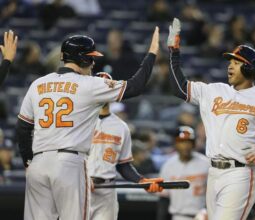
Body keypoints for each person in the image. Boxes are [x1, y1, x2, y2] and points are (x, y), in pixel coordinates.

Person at [16, 27, 161, 220]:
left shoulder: (38, 84)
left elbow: (23, 128)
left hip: (38, 164)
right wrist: (151, 54)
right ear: (82, 59)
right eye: (91, 58)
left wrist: (28, 162)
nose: (93, 63)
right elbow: (135, 86)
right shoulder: (89, 84)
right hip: (69, 163)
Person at [167, 18, 255, 220]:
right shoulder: (214, 91)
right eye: (230, 62)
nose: (230, 66)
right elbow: (179, 87)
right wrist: (174, 53)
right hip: (214, 172)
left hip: (241, 174)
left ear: (250, 68)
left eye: (237, 63)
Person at [88, 72, 163, 220]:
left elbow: (123, 165)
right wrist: (81, 177)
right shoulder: (78, 121)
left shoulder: (121, 127)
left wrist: (141, 180)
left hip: (107, 191)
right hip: (81, 187)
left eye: (107, 89)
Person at [157, 126, 209, 220]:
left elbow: (214, 195)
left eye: (188, 142)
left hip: (202, 216)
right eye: (181, 142)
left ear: (193, 144)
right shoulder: (168, 166)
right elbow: (164, 198)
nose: (185, 146)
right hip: (178, 216)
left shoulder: (206, 164)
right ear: (175, 144)